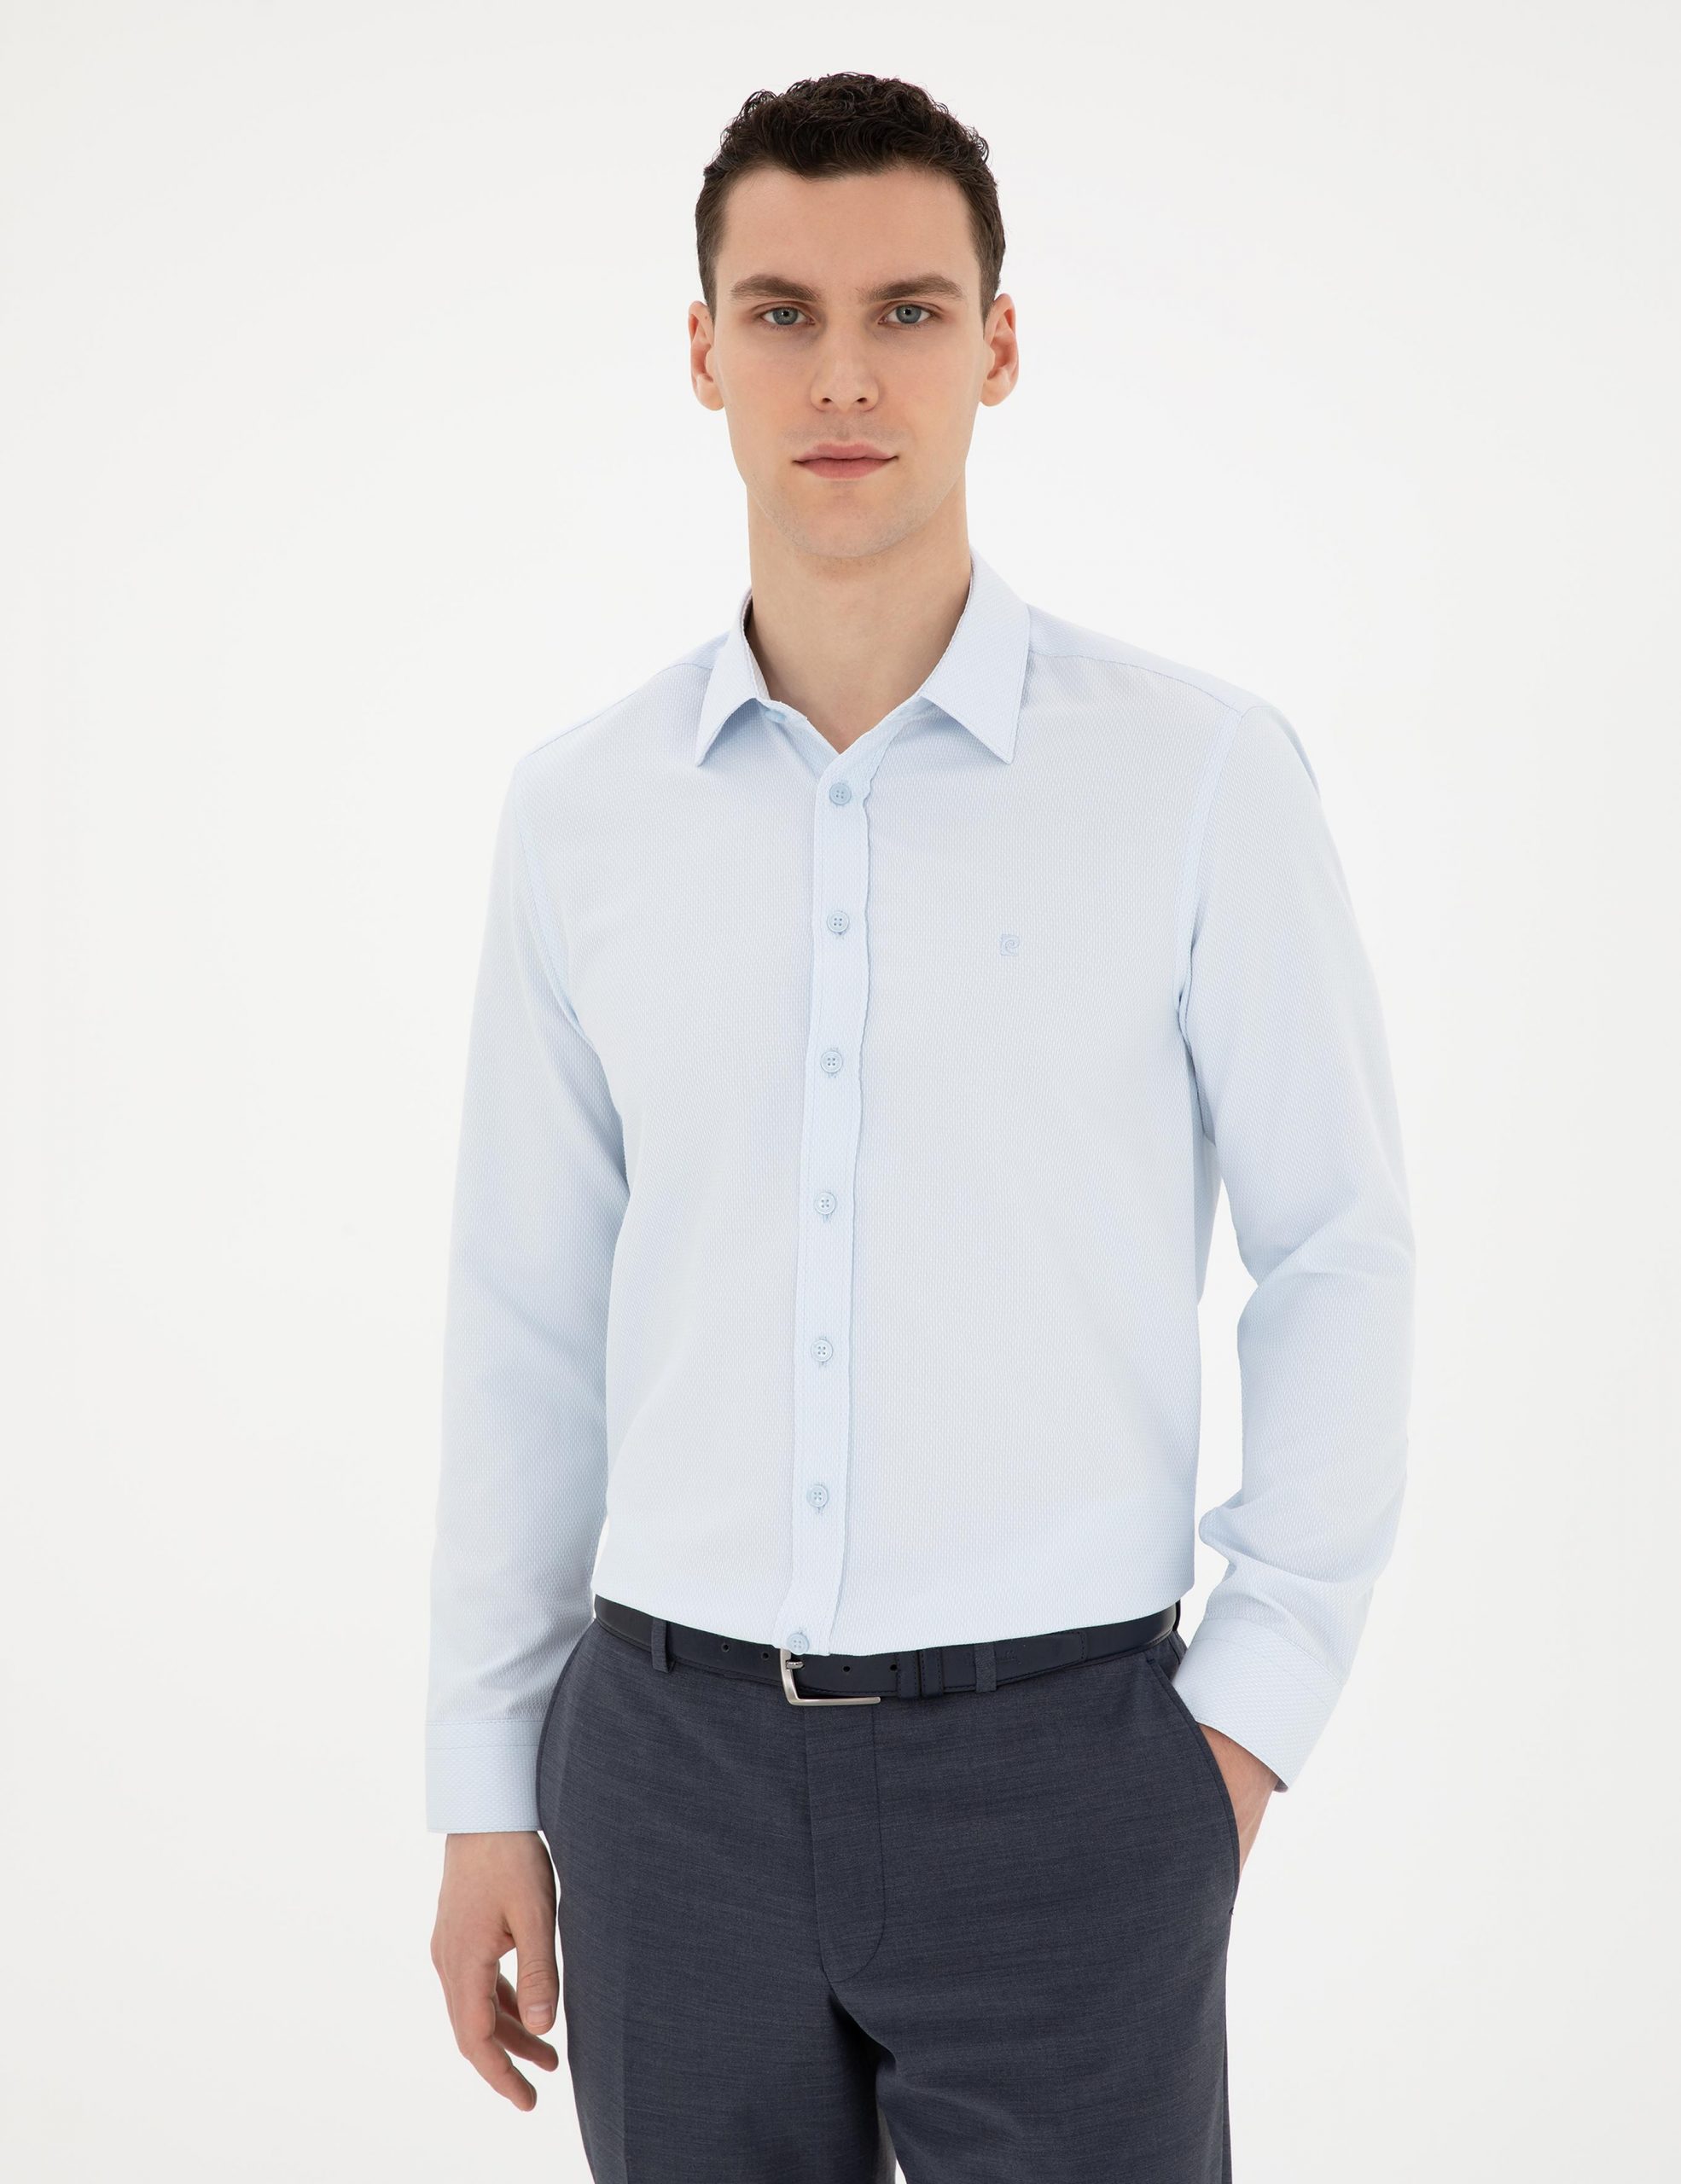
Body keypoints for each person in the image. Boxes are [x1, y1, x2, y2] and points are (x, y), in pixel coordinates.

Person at [424, 69, 1415, 2183]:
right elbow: (524, 1316)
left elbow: (1338, 1245)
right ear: (703, 352)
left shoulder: (1196, 777)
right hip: (663, 1784)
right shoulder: (581, 814)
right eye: (781, 312)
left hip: (1070, 1777)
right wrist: (484, 1781)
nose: (845, 373)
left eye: (907, 309)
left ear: (999, 344)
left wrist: (1241, 1725)